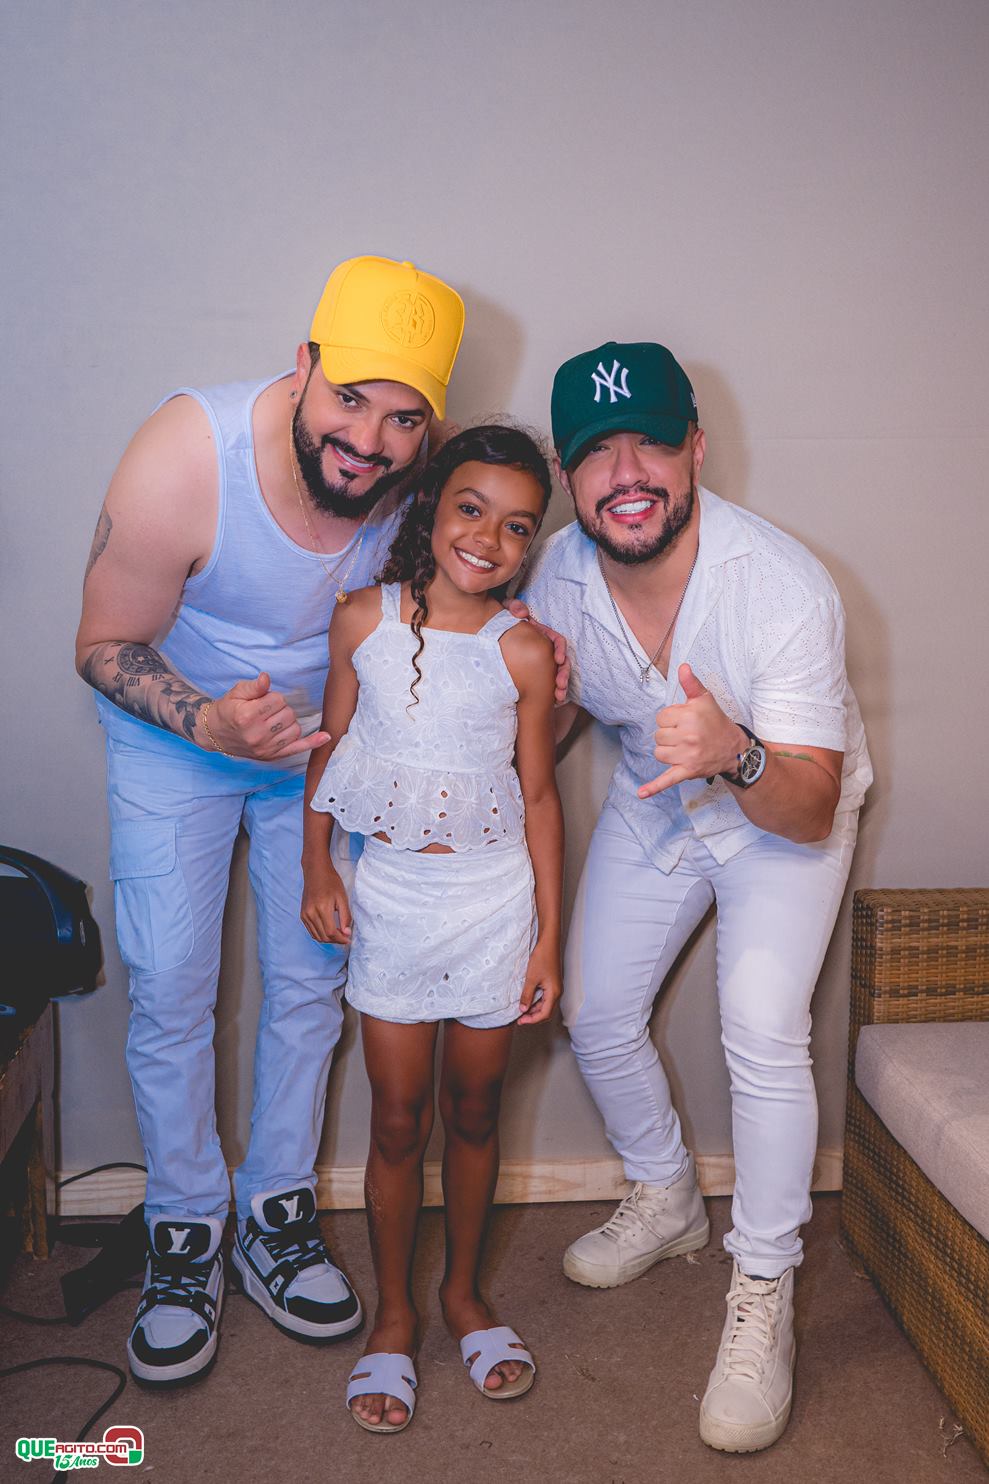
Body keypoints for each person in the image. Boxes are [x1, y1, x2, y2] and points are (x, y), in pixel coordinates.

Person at [74, 255, 466, 1384]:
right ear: (302, 366)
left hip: (323, 753)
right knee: (171, 980)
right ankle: (184, 1222)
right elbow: (101, 643)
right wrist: (209, 723)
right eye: (350, 398)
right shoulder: (184, 455)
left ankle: (275, 1211)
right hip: (179, 735)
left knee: (312, 978)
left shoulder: (420, 477)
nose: (369, 441)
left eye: (403, 419)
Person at [520, 340, 872, 1453]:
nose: (626, 473)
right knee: (593, 1009)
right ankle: (667, 1194)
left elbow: (808, 806)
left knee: (760, 1029)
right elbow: (553, 719)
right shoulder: (555, 576)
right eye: (596, 452)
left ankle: (762, 1288)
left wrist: (736, 752)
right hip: (659, 797)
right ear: (567, 476)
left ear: (695, 451)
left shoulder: (780, 585)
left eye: (651, 443)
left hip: (781, 801)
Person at [301, 425, 564, 1433]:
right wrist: (316, 866)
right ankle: (395, 1313)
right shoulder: (359, 618)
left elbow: (538, 797)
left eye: (517, 526)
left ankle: (462, 1294)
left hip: (494, 904)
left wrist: (547, 938)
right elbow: (327, 749)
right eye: (470, 509)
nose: (488, 539)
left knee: (475, 1107)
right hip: (394, 902)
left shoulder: (523, 649)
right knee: (397, 1118)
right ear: (430, 507)